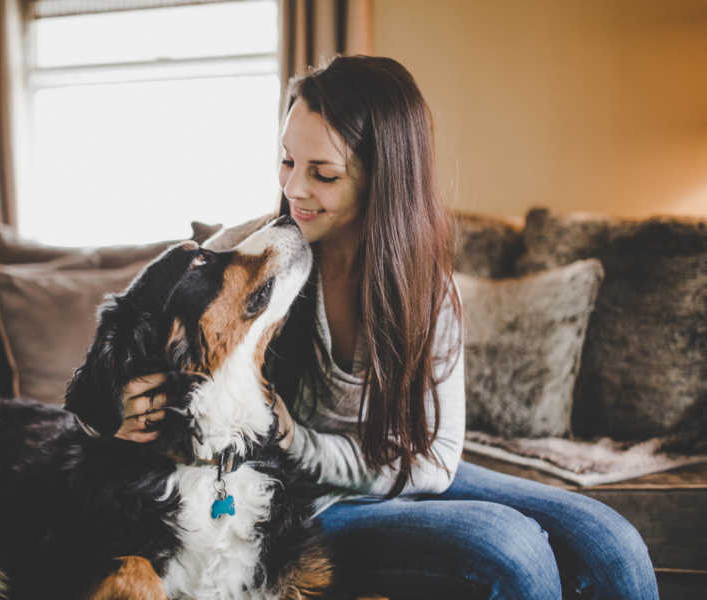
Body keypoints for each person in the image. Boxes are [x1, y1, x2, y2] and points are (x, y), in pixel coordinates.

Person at [115, 55, 659, 599]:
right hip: (294, 500)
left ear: (382, 176)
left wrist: (298, 438)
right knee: (511, 548)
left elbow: (436, 462)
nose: (294, 190)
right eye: (287, 161)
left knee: (611, 541)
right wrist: (115, 410)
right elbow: (131, 334)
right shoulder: (256, 251)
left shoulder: (426, 290)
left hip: (391, 471)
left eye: (322, 173)